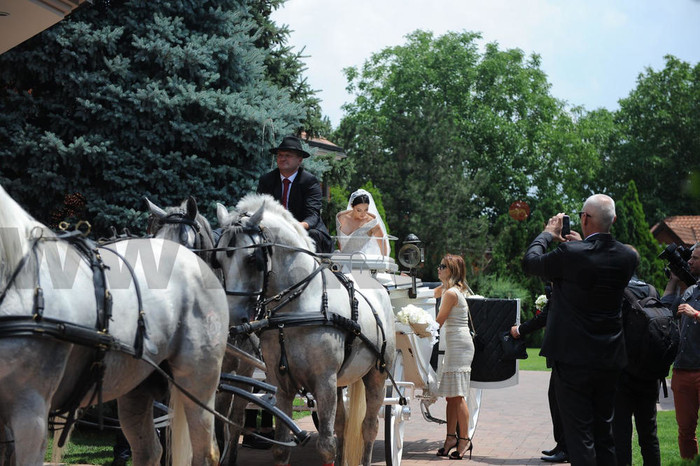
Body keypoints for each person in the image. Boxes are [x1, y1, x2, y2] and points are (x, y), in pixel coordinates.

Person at [522, 194, 638, 465]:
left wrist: (547, 234)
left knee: (579, 437)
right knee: (604, 434)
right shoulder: (627, 257)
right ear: (614, 220)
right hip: (609, 357)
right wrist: (578, 247)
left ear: (584, 219)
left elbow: (530, 263)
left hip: (573, 359)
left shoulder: (570, 254)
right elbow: (595, 262)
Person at [613, 245, 661, 466]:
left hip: (623, 373)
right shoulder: (651, 290)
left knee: (621, 434)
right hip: (650, 373)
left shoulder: (617, 290)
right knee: (649, 434)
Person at [510, 284, 569, 463]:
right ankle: (562, 445)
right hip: (564, 355)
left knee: (562, 403)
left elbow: (543, 317)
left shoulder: (564, 289)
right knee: (555, 399)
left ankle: (566, 448)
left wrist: (519, 330)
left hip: (565, 354)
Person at [257, 135, 332, 253]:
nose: (283, 159)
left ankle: (320, 269)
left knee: (312, 235)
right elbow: (261, 209)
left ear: (299, 160)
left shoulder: (309, 181)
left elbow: (313, 215)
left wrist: (296, 227)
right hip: (274, 228)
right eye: (280, 155)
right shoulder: (267, 180)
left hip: (305, 229)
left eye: (288, 155)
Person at [661, 245, 700, 460]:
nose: (690, 262)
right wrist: (673, 281)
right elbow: (665, 308)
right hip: (682, 369)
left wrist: (695, 313)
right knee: (685, 430)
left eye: (694, 258)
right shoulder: (690, 291)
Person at [434, 253, 475, 460]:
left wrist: (417, 326)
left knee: (458, 396)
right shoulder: (449, 290)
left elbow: (438, 322)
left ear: (451, 270)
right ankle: (451, 437)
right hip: (454, 344)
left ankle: (465, 439)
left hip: (459, 345)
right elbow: (426, 294)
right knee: (451, 396)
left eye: (443, 266)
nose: (438, 269)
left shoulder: (450, 293)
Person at [335, 188, 389, 256]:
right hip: (343, 259)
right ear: (352, 206)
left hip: (362, 261)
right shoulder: (342, 219)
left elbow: (383, 246)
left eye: (366, 210)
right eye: (359, 210)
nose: (363, 214)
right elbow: (340, 242)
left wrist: (384, 263)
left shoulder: (372, 223)